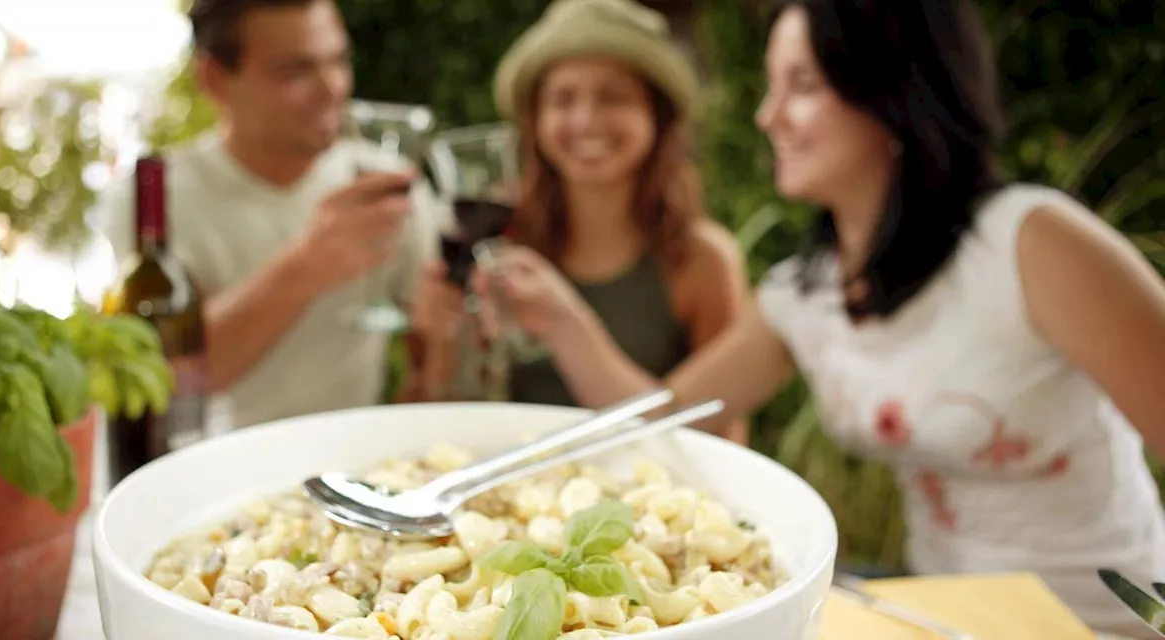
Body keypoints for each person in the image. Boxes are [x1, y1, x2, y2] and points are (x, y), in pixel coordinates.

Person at [481, 0, 1165, 636]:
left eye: (801, 86)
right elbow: (666, 418)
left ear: (895, 93)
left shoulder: (1032, 243)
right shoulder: (802, 295)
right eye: (772, 86)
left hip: (1107, 617)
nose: (767, 116)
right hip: (936, 614)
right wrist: (564, 322)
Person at [413, 0, 750, 442]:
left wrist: (567, 325)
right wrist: (440, 341)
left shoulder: (703, 259)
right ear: (535, 121)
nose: (585, 120)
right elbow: (430, 420)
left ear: (658, 115)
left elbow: (726, 445)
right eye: (563, 98)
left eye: (613, 97)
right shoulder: (497, 237)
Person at [97, 0, 441, 428]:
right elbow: (165, 382)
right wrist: (307, 266)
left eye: (338, 61)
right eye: (294, 71)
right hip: (210, 473)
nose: (332, 87)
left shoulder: (388, 185)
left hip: (349, 466)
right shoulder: (153, 199)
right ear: (215, 79)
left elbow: (434, 354)